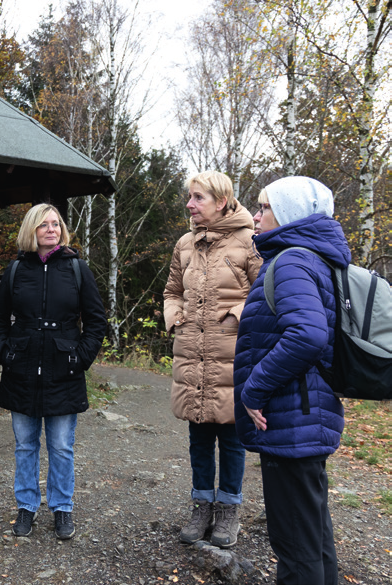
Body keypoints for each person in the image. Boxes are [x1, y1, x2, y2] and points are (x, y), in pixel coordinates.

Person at [234, 176, 347, 584]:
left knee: (296, 548)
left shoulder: (292, 260)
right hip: (304, 415)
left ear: (289, 213)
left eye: (263, 207)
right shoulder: (311, 257)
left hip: (290, 418)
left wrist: (253, 390)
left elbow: (309, 334)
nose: (256, 215)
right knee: (314, 539)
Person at [0, 203, 106, 540]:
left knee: (61, 446)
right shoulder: (15, 270)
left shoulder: (77, 269)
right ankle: (26, 507)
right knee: (25, 445)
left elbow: (96, 321)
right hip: (21, 370)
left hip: (63, 371)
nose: (51, 229)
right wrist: (3, 353)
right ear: (32, 230)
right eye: (44, 225)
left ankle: (62, 509)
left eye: (56, 224)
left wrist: (80, 357)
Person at [163, 170, 261, 549]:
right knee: (198, 435)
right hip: (192, 353)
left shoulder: (251, 241)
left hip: (233, 354)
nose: (189, 204)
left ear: (221, 201)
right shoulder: (185, 243)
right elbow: (172, 290)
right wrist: (174, 315)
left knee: (232, 437)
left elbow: (266, 290)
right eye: (190, 197)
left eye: (198, 197)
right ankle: (201, 504)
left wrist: (238, 313)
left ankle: (229, 509)